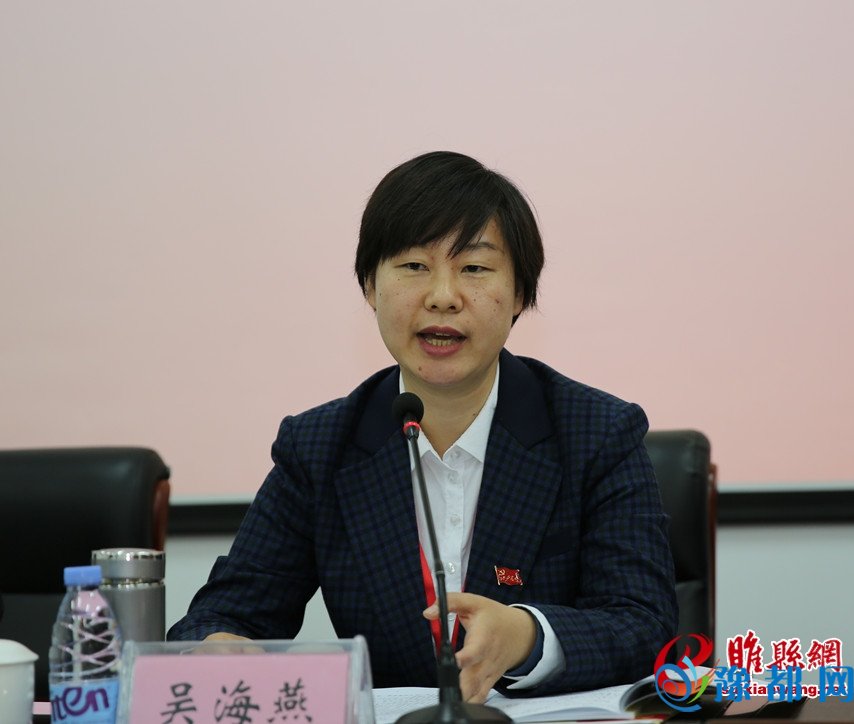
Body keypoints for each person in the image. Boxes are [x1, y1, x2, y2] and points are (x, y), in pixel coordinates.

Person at [167, 151, 678, 701]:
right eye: (414, 266)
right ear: (370, 286)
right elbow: (224, 615)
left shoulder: (597, 433)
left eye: (474, 268)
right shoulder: (320, 448)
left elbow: (644, 624)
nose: (442, 297)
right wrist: (218, 645)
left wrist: (528, 637)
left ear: (520, 294)